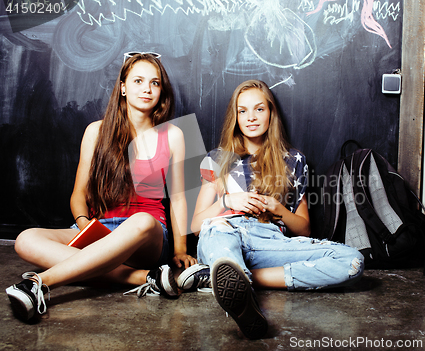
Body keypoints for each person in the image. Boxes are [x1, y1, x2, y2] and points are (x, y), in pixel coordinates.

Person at [6, 52, 208, 323]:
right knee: (26, 239)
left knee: (142, 221)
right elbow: (79, 194)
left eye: (155, 83)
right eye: (138, 81)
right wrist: (85, 224)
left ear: (162, 90)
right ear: (123, 87)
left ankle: (38, 283)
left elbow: (180, 199)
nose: (147, 89)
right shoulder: (95, 131)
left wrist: (180, 250)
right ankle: (144, 279)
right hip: (99, 229)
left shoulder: (173, 135)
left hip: (146, 235)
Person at [191, 80, 365, 340]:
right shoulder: (216, 159)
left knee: (352, 261)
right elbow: (195, 226)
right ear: (235, 117)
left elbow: (304, 228)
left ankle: (241, 281)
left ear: (271, 113)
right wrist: (226, 201)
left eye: (259, 109)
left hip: (268, 240)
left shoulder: (294, 160)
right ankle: (233, 278)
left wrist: (278, 208)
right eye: (243, 111)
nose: (251, 117)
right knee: (218, 235)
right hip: (223, 232)